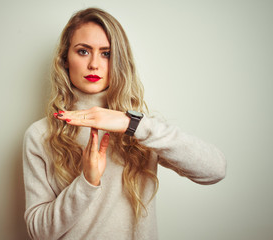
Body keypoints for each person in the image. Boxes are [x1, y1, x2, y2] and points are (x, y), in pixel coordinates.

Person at [23, 7, 226, 240]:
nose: (94, 65)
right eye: (83, 51)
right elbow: (37, 232)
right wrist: (86, 182)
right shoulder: (40, 135)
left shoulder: (142, 129)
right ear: (65, 59)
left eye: (106, 53)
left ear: (118, 60)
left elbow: (215, 170)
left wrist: (132, 124)